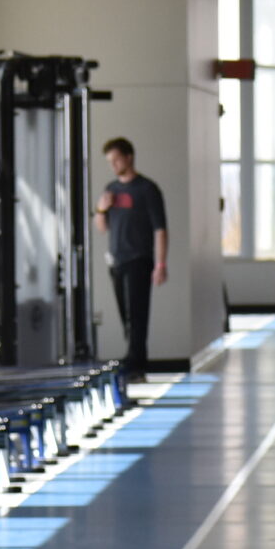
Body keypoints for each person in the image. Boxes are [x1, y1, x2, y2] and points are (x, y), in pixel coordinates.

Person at [93, 137, 167, 376]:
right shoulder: (111, 190)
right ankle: (133, 358)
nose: (113, 165)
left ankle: (136, 363)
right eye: (110, 161)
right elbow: (102, 227)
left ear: (129, 157)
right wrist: (101, 209)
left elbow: (160, 229)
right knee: (125, 313)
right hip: (117, 260)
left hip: (139, 259)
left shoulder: (147, 189)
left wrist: (160, 264)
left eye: (116, 159)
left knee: (137, 314)